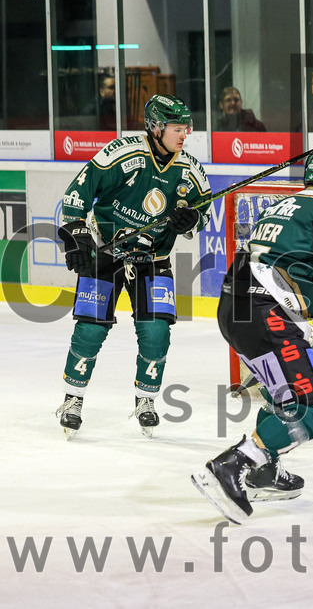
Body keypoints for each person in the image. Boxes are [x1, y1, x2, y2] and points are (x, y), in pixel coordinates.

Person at [192, 147, 313, 523]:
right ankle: (234, 463)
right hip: (267, 316)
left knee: (283, 399)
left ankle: (263, 469)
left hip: (233, 310)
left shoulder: (281, 206)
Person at [55, 94, 211, 439]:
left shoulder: (190, 171)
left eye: (187, 127)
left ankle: (146, 400)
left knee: (156, 333)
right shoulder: (121, 154)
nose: (184, 134)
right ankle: (72, 399)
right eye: (176, 127)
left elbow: (204, 217)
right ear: (155, 128)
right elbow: (75, 196)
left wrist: (191, 219)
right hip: (105, 253)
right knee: (91, 329)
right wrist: (78, 238)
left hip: (152, 260)